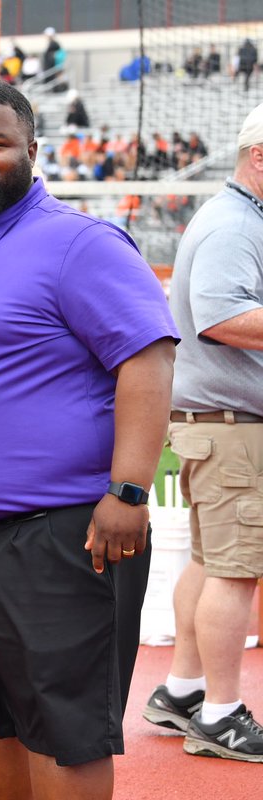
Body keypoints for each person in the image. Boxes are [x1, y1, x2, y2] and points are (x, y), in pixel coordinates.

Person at [0, 80, 178, 799]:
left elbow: (148, 358)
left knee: (64, 727)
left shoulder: (78, 243)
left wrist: (129, 489)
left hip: (54, 538)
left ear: (32, 152)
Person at [141, 103, 263, 763]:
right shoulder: (234, 225)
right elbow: (223, 316)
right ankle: (219, 715)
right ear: (259, 157)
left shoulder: (236, 218)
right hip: (231, 424)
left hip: (215, 421)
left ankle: (185, 690)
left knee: (213, 562)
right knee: (236, 571)